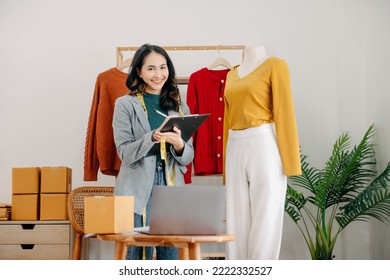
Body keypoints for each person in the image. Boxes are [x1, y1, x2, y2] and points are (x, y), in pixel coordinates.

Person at [112, 44, 194, 260]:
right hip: (136, 185)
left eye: (163, 67)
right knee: (137, 254)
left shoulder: (179, 107)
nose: (158, 75)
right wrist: (150, 137)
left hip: (170, 184)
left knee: (171, 253)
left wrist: (179, 145)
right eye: (150, 69)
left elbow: (188, 157)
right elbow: (125, 153)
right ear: (138, 71)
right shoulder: (124, 105)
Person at [223, 45, 302, 260]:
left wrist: (291, 162)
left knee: (266, 214)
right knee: (235, 217)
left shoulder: (276, 65)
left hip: (263, 141)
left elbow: (285, 112)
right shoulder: (232, 74)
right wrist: (224, 169)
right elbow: (227, 119)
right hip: (235, 144)